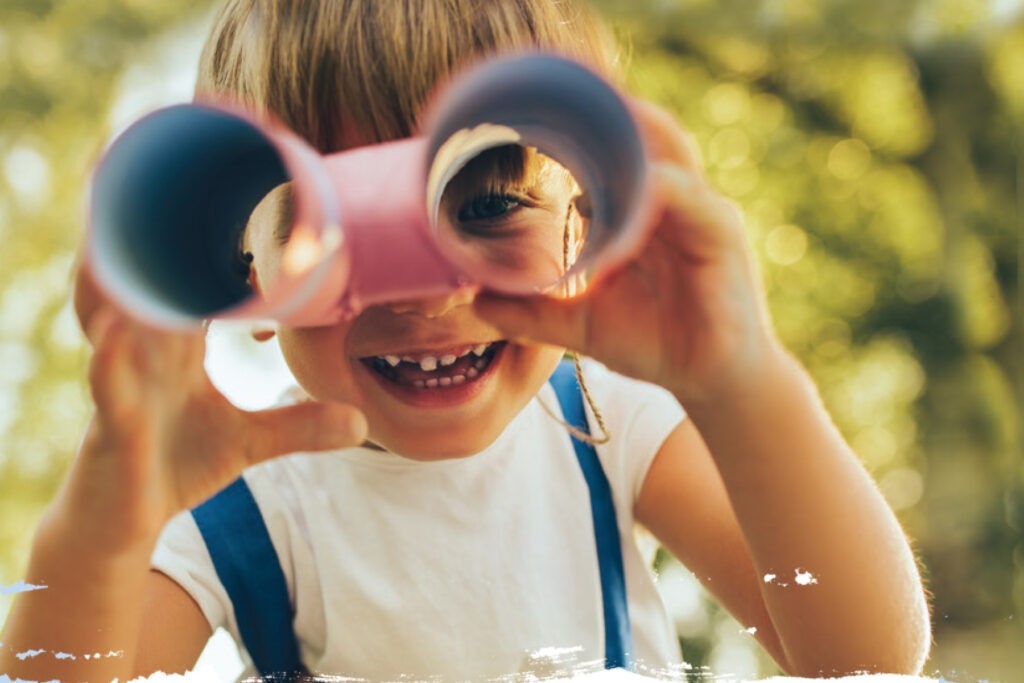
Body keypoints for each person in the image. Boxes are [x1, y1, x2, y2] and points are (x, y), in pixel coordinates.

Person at [0, 0, 932, 680]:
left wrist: (742, 382)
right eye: (330, 230)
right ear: (241, 264)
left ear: (588, 212)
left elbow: (862, 657)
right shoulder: (242, 500)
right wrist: (107, 511)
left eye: (486, 204)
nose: (418, 287)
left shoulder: (608, 423)